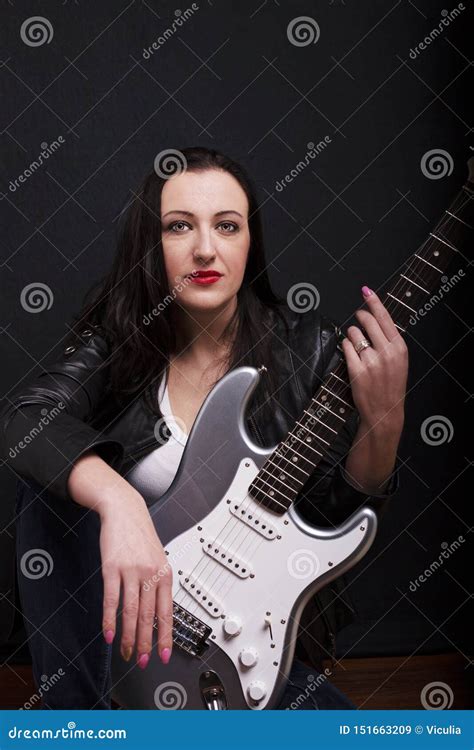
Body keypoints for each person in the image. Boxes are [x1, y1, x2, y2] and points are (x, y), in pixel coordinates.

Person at [0, 146, 407, 709]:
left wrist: (384, 423)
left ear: (249, 242)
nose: (205, 248)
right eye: (178, 227)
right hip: (118, 640)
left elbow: (326, 523)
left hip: (240, 646)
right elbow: (27, 419)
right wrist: (121, 502)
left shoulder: (307, 347)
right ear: (151, 245)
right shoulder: (120, 339)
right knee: (43, 491)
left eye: (227, 226)